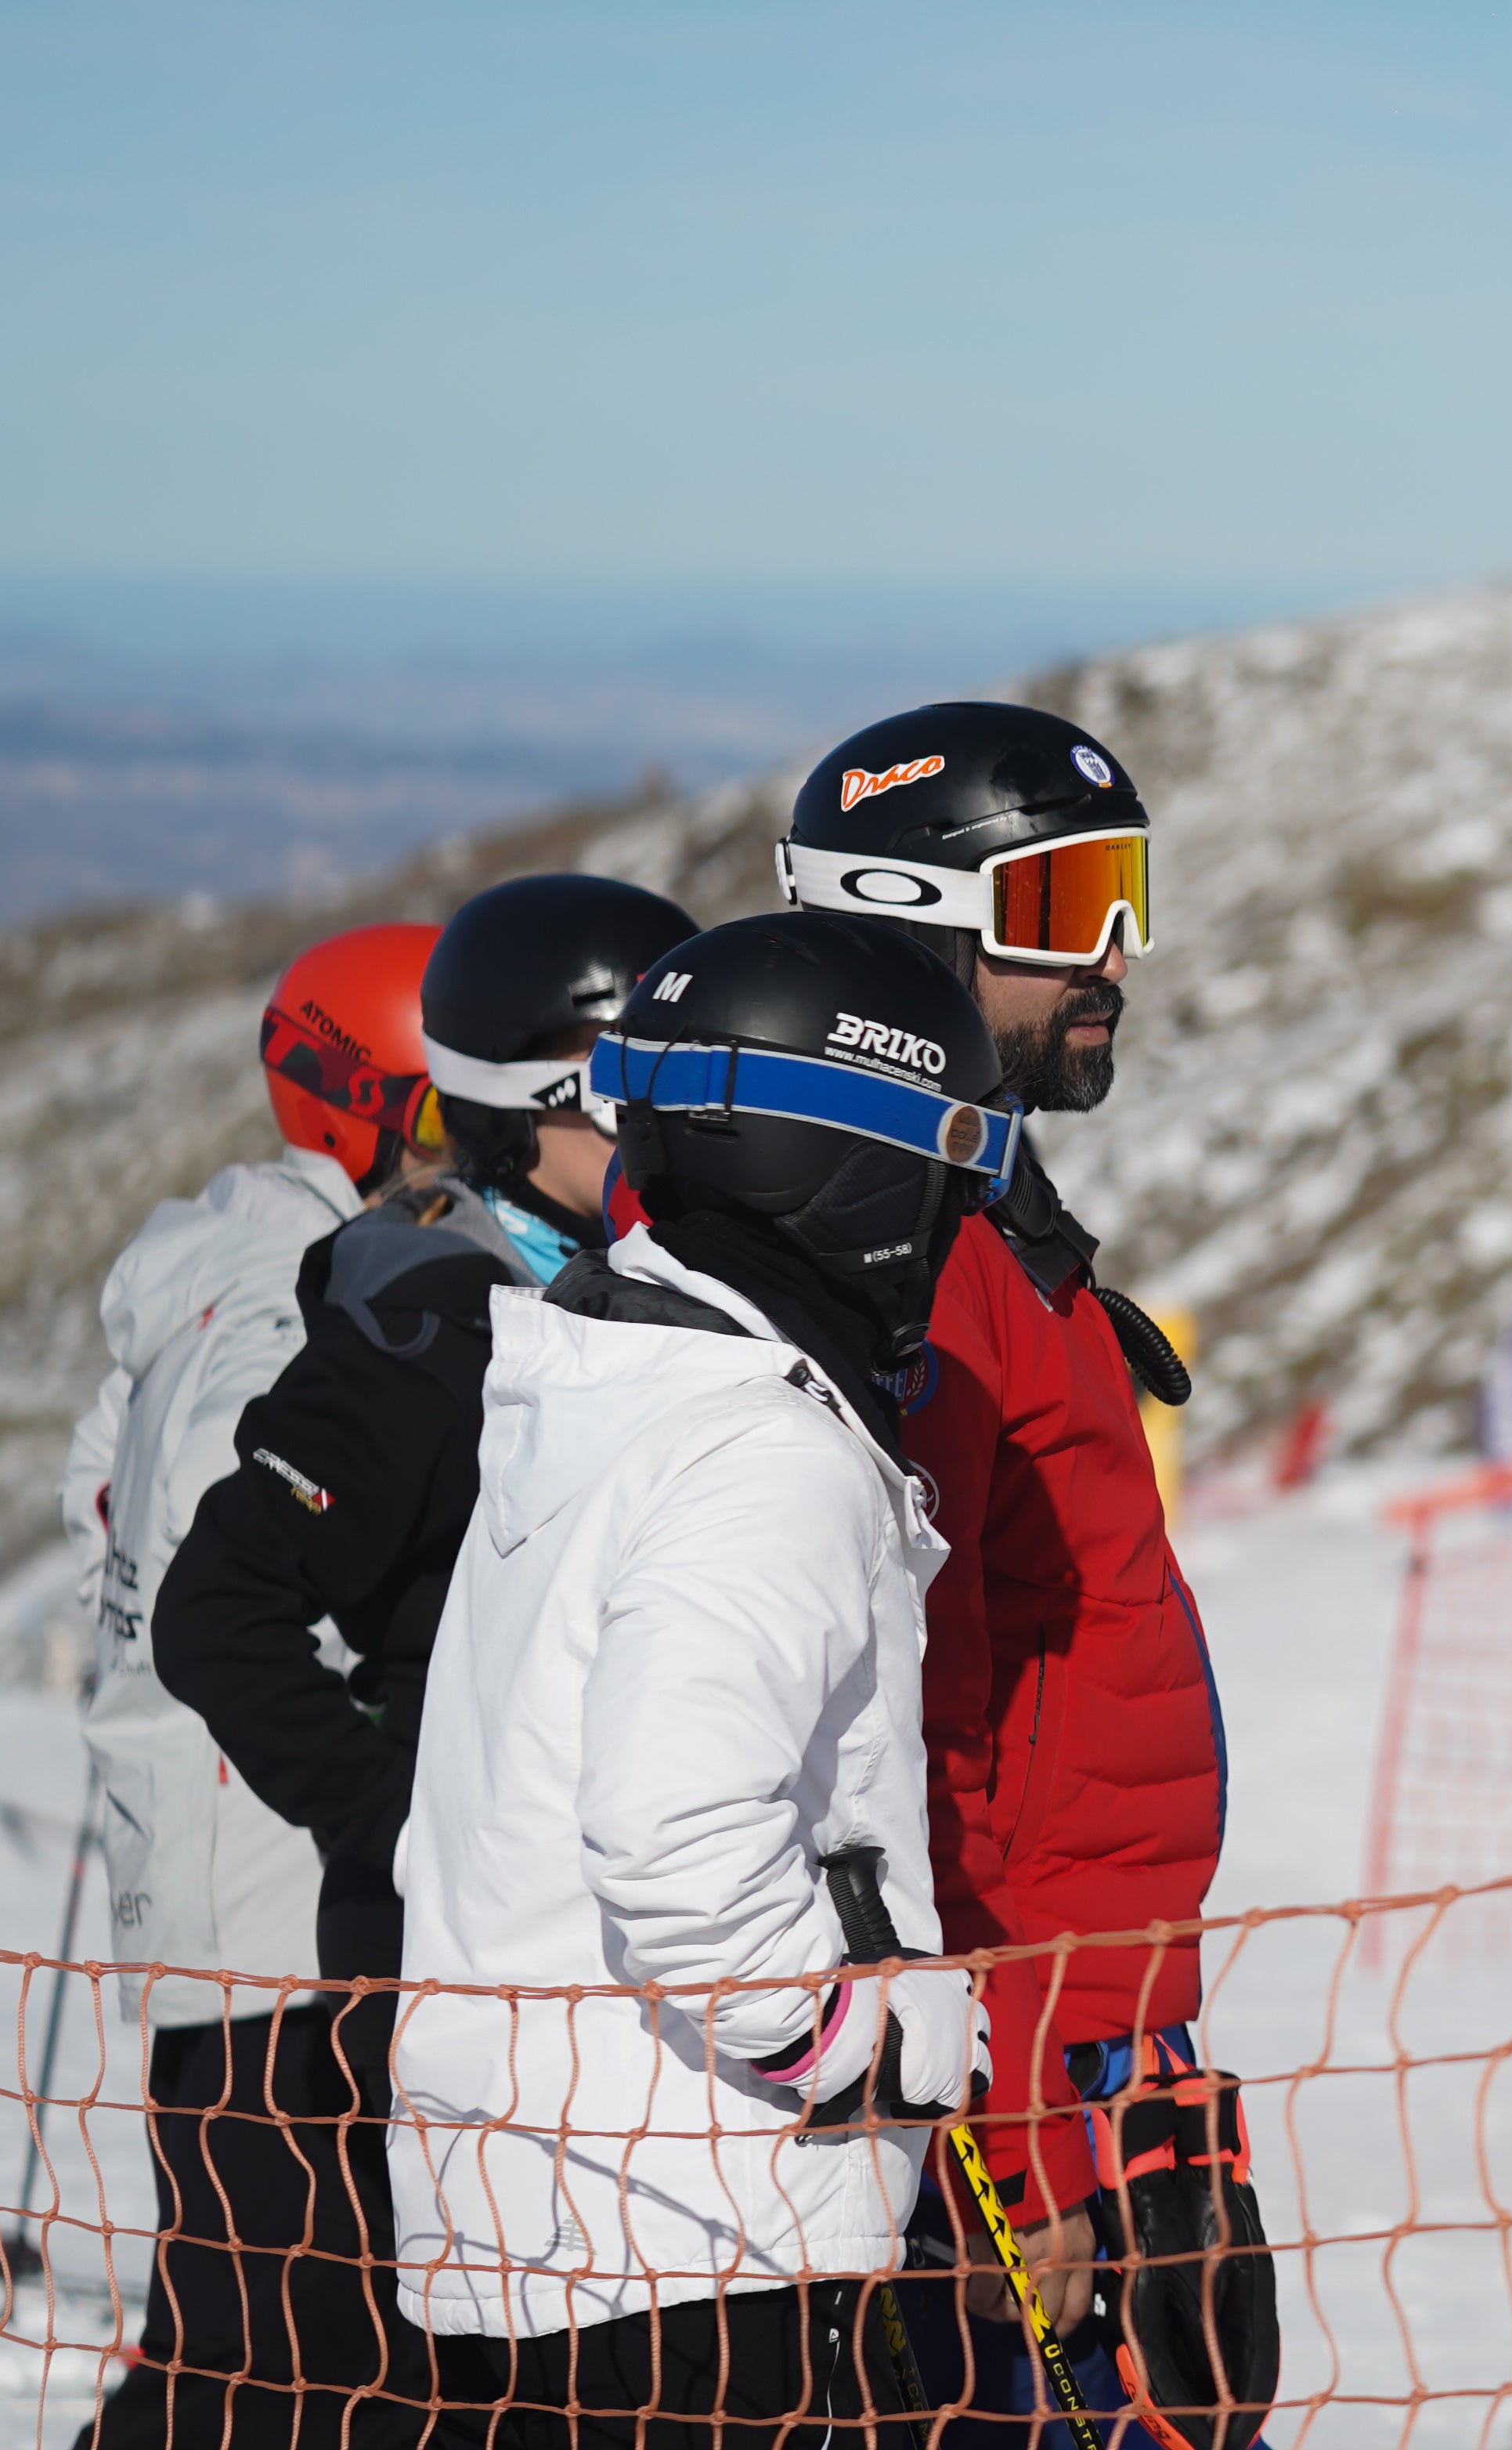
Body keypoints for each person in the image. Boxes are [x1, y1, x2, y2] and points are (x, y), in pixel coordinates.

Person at [386, 912, 1001, 2445]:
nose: (960, 1216)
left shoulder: (613, 1391)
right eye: (951, 1160)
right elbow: (675, 1840)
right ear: (849, 1171)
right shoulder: (757, 1450)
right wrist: (859, 2045)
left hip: (550, 2210)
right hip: (698, 2241)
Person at [778, 703, 1247, 2447]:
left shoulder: (994, 1207)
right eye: (1061, 906)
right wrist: (1022, 2142)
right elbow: (922, 1737)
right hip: (1021, 2074)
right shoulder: (921, 1258)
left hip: (1102, 2026)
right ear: (905, 926)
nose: (1113, 953)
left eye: (1126, 893)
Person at [159, 874, 700, 1987]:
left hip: (614, 1940)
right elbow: (216, 1608)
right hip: (447, 1965)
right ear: (515, 1103)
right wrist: (404, 1824)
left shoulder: (641, 1298)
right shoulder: (427, 1340)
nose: (660, 1123)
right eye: (621, 1085)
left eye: (686, 1078)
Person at [65, 921, 442, 2450]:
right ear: (360, 1113)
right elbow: (231, 1558)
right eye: (444, 1110)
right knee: (300, 2357)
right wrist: (386, 1750)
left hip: (216, 1893)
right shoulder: (297, 1301)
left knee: (235, 2333)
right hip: (280, 1906)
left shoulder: (211, 1276)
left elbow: (97, 1493)